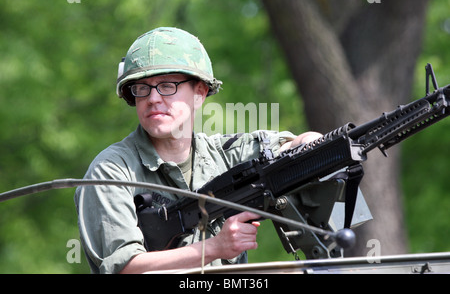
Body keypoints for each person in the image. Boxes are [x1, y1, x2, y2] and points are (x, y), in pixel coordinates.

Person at [74, 27, 321, 274]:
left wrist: (314, 144)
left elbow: (288, 148)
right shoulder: (110, 171)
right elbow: (125, 267)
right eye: (142, 88)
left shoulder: (222, 155)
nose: (153, 98)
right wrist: (213, 248)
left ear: (199, 93)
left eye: (167, 86)